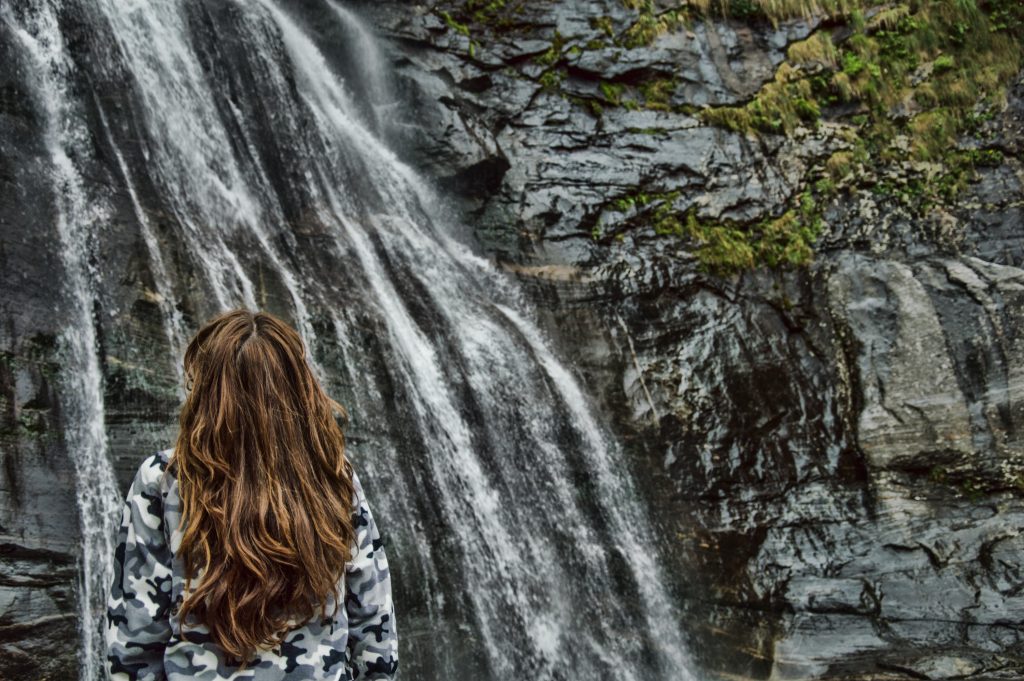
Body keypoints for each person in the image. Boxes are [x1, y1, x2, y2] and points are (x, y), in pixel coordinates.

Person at [105, 309, 399, 680]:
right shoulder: (332, 476)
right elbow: (376, 630)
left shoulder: (164, 480)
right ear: (299, 389)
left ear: (208, 393)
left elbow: (133, 641)